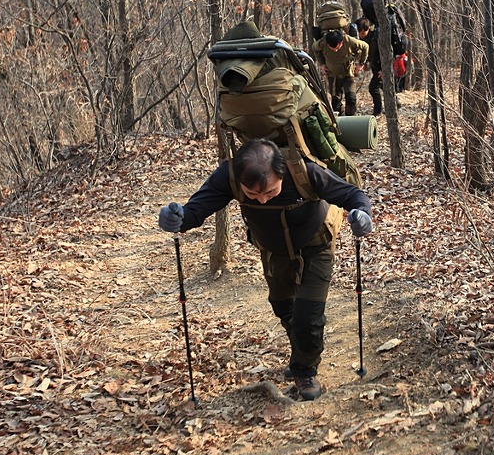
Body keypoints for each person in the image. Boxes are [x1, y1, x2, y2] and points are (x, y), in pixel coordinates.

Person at [157, 139, 374, 401]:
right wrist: (176, 217)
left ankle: (305, 371)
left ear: (281, 174)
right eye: (252, 195)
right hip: (272, 250)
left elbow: (353, 195)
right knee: (283, 307)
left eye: (270, 193)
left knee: (309, 315)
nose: (261, 200)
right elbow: (195, 210)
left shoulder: (305, 171)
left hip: (316, 244)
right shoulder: (230, 176)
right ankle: (302, 350)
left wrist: (362, 214)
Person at [312, 28, 369, 117]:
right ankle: (341, 121)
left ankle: (350, 120)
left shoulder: (348, 40)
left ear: (341, 42)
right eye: (332, 47)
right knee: (336, 102)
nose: (335, 50)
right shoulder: (323, 43)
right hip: (333, 76)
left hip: (348, 74)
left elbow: (365, 46)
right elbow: (314, 48)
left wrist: (361, 64)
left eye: (336, 47)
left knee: (351, 98)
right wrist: (322, 64)